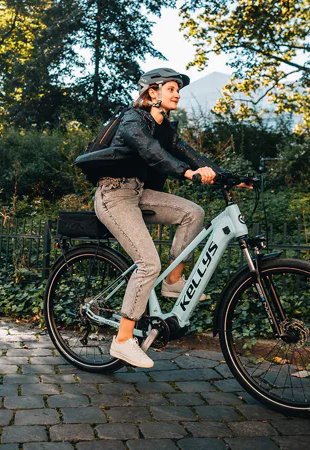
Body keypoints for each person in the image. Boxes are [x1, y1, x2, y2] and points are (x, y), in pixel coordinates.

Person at [88, 68, 222, 368]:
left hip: (139, 192)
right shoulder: (132, 120)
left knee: (193, 212)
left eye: (178, 90)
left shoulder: (166, 129)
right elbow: (151, 153)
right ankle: (123, 340)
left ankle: (173, 282)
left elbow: (192, 156)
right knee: (149, 263)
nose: (177, 94)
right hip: (114, 194)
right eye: (171, 88)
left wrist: (228, 177)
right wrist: (187, 173)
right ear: (152, 92)